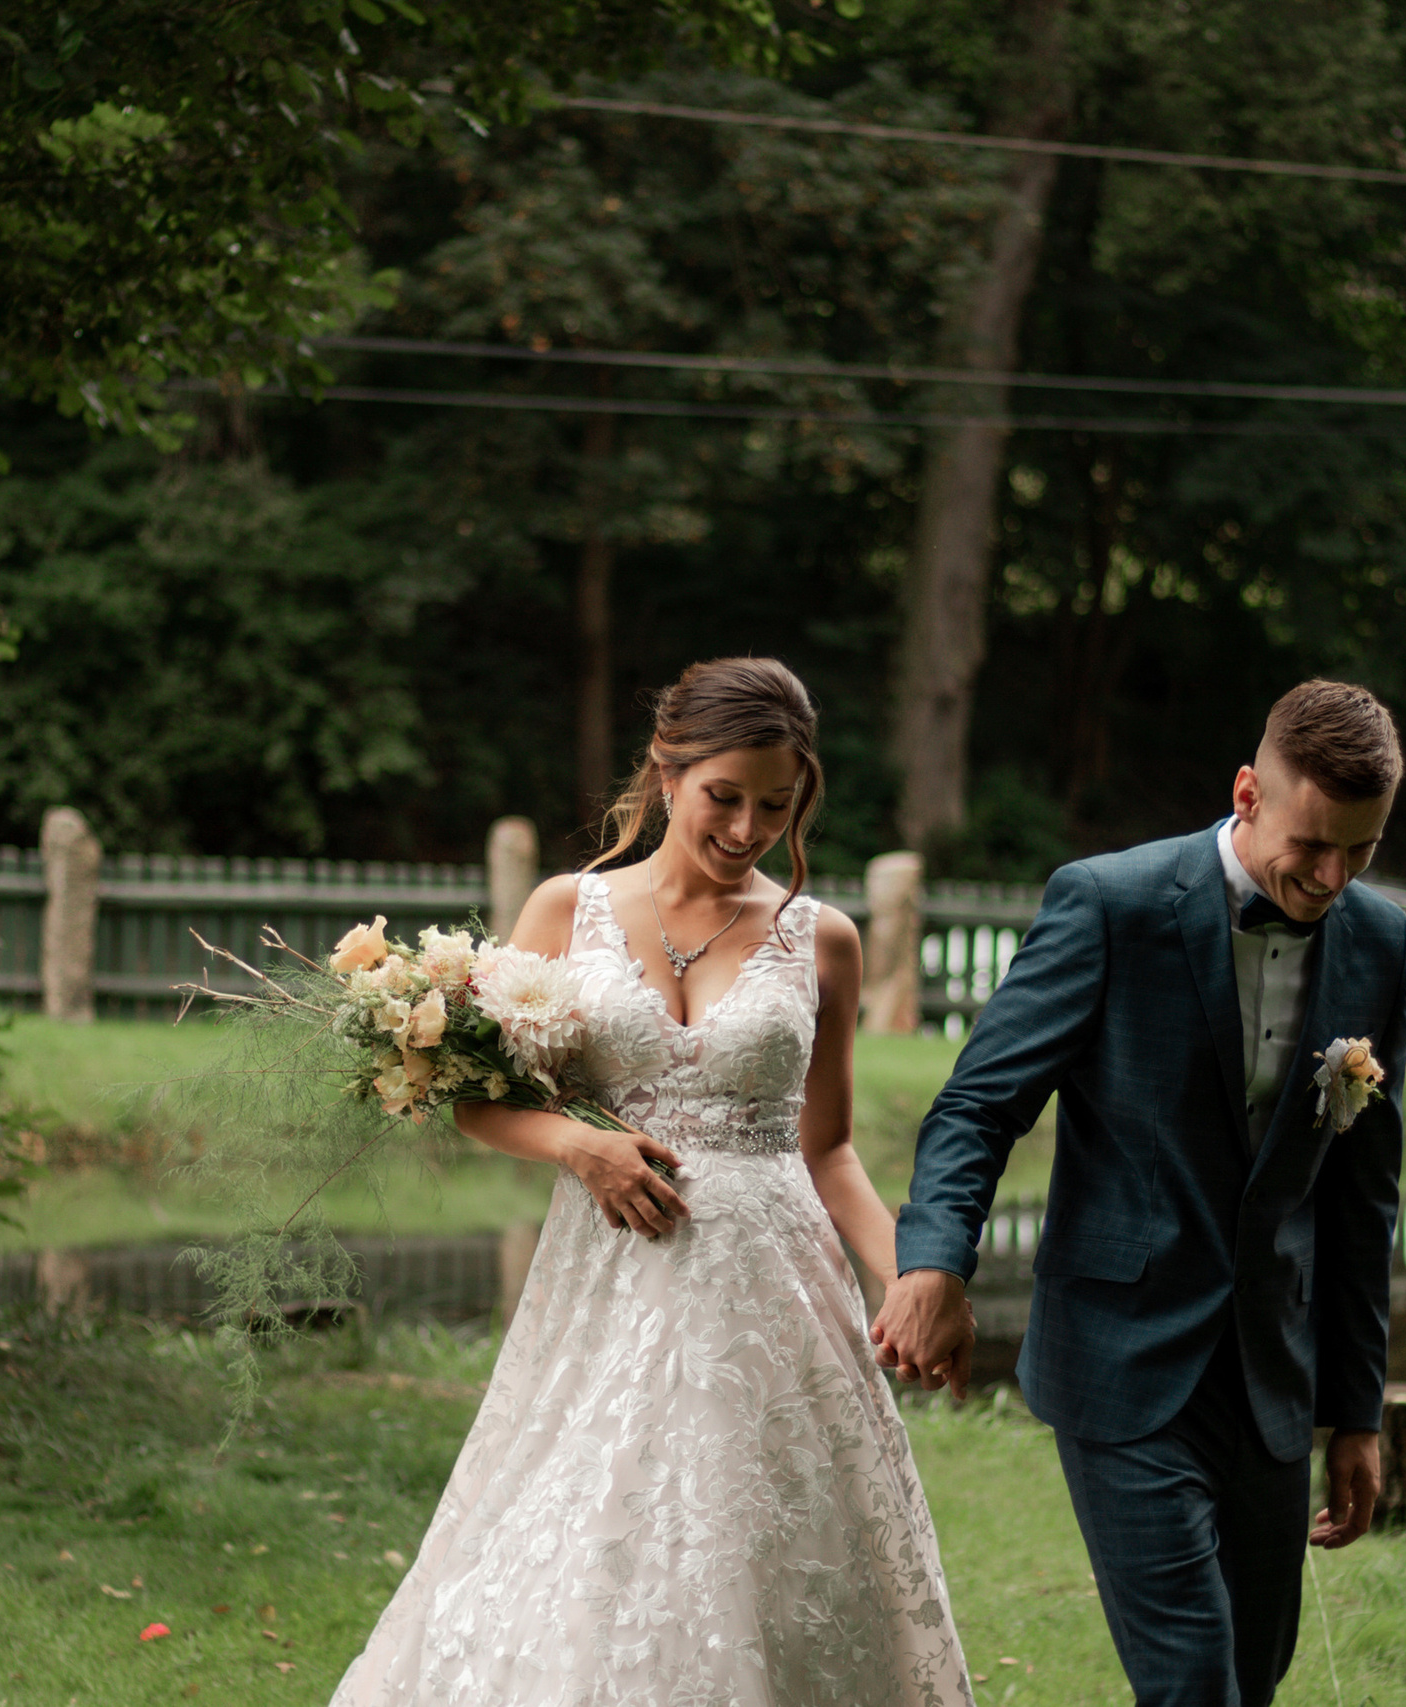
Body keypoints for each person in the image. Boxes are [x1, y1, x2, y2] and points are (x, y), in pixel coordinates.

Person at [329, 657, 974, 1707]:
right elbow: (478, 1098)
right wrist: (580, 1148)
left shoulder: (826, 942)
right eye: (725, 797)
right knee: (583, 1530)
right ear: (666, 775)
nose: (745, 827)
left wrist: (916, 1279)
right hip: (607, 1284)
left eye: (778, 804)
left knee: (764, 1545)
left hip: (773, 1294)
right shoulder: (564, 911)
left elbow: (830, 1152)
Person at [872, 679, 1406, 1707]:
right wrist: (933, 1260)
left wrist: (1357, 1411)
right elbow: (980, 1104)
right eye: (1312, 845)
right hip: (1120, 1359)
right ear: (1248, 792)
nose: (1333, 876)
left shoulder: (1380, 944)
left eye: (1363, 850)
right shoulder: (1110, 903)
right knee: (1191, 1682)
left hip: (1271, 1378)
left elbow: (1360, 1202)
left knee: (1253, 1675)